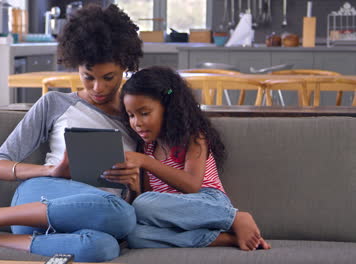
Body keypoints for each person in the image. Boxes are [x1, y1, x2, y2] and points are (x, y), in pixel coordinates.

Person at [0, 4, 143, 262]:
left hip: (99, 216)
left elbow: (143, 191)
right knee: (121, 217)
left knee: (104, 247)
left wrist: (133, 189)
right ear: (76, 65)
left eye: (109, 77)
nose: (98, 88)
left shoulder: (137, 116)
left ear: (125, 66)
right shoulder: (55, 103)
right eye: (88, 77)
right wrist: (50, 172)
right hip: (40, 199)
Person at [102, 66, 271, 251]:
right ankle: (225, 239)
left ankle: (235, 218)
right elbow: (149, 202)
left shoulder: (193, 137)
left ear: (168, 109)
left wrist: (145, 161)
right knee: (134, 235)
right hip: (175, 217)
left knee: (143, 204)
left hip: (208, 204)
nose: (137, 122)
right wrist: (133, 188)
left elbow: (192, 185)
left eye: (144, 113)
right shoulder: (147, 147)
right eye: (131, 115)